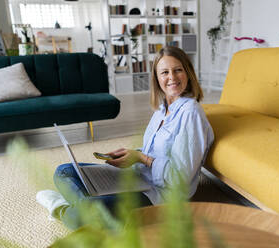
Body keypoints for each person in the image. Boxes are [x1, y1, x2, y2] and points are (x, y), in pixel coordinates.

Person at [36, 46, 214, 229]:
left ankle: (64, 207)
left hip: (158, 196)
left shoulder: (191, 113)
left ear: (188, 72)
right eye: (165, 72)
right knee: (64, 171)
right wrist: (131, 155)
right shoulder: (162, 110)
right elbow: (151, 152)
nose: (172, 77)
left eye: (178, 70)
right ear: (157, 78)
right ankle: (88, 205)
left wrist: (141, 158)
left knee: (84, 214)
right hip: (136, 178)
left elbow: (180, 179)